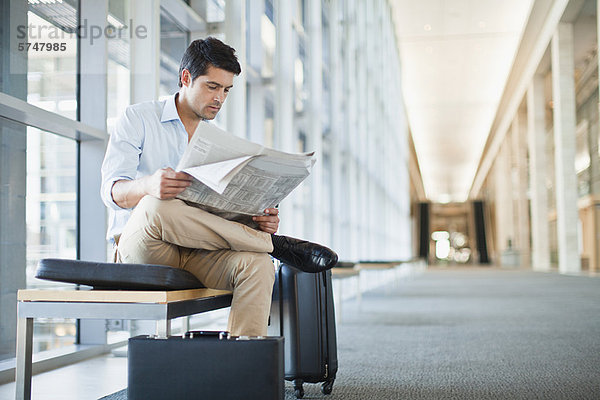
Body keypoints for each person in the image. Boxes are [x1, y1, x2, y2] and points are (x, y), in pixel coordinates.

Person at [101, 37, 337, 337]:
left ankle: (243, 370)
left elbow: (219, 208)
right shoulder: (138, 118)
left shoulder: (216, 140)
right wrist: (148, 184)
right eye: (212, 87)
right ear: (185, 78)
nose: (220, 98)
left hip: (198, 249)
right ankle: (273, 246)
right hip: (144, 246)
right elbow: (111, 192)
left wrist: (257, 219)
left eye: (226, 90)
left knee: (259, 266)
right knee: (156, 204)